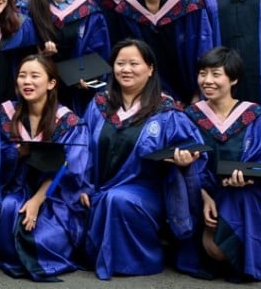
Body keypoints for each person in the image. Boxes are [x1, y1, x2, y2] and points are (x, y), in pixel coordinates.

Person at [80, 39, 205, 280]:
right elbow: (83, 149)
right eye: (120, 63)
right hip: (99, 187)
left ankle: (138, 260)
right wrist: (83, 184)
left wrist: (185, 160)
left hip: (149, 192)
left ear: (150, 69)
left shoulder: (165, 109)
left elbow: (194, 149)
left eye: (134, 63)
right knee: (108, 197)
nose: (126, 69)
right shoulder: (99, 105)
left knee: (118, 199)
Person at [180, 47, 261, 281]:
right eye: (202, 73)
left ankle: (245, 256)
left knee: (241, 196)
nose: (207, 81)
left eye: (216, 74)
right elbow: (185, 167)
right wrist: (204, 195)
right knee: (214, 247)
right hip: (202, 193)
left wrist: (250, 177)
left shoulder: (258, 116)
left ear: (233, 78)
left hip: (248, 193)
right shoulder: (188, 116)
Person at [0, 54, 88, 281]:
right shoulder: (5, 114)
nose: (27, 82)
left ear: (51, 83)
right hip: (16, 186)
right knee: (8, 208)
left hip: (56, 196)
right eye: (22, 76)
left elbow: (69, 168)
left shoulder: (68, 122)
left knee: (44, 240)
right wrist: (16, 153)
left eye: (35, 76)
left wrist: (37, 200)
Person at [116, 0, 213, 104]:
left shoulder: (188, 2)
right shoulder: (127, 9)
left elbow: (204, 46)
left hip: (194, 87)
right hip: (152, 94)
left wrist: (200, 91)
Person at [26, 0, 110, 114]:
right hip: (41, 94)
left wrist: (91, 77)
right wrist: (40, 56)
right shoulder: (27, 10)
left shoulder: (89, 10)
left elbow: (100, 51)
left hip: (80, 94)